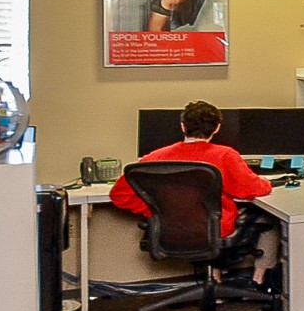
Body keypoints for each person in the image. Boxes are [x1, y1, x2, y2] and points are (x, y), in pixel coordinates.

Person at [111, 100, 279, 284]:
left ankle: (214, 279)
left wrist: (156, 210)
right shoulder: (225, 155)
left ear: (183, 126)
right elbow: (253, 189)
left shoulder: (155, 157)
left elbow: (119, 194)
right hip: (216, 229)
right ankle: (259, 280)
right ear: (216, 129)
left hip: (170, 230)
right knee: (269, 219)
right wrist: (266, 182)